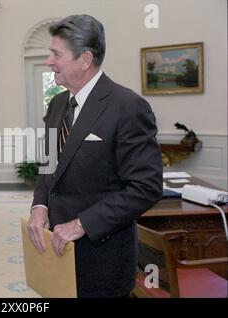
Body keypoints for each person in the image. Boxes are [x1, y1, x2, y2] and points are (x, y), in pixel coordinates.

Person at [27, 14, 163, 298]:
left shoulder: (128, 106)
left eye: (56, 54)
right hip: (56, 257)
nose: (49, 61)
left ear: (85, 59)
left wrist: (81, 224)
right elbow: (49, 165)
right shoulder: (56, 103)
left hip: (102, 261)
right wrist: (39, 206)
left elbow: (145, 188)